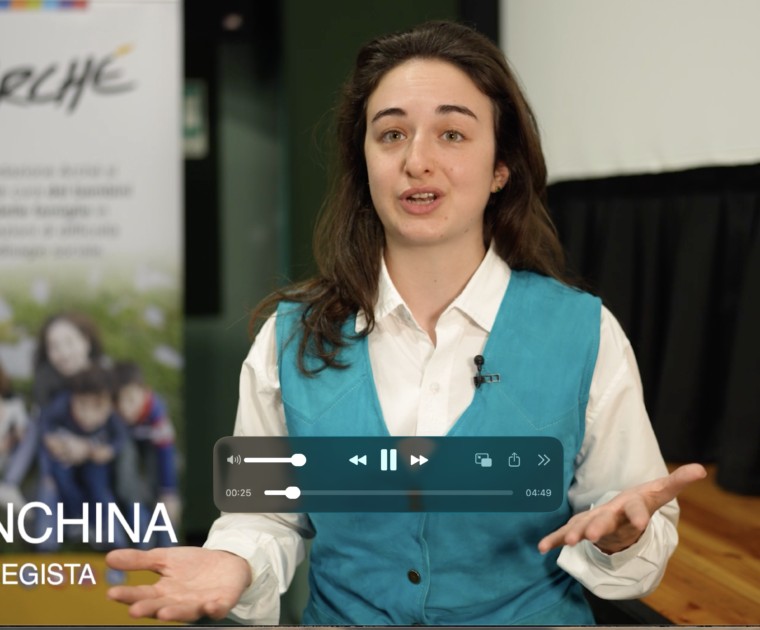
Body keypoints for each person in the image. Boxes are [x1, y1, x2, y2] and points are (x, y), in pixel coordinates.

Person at [105, 21, 706, 625]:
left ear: (501, 166)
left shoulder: (585, 333)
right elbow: (263, 516)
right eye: (391, 134)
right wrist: (234, 559)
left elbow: (633, 527)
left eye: (452, 134)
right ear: (364, 162)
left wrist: (622, 537)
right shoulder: (288, 339)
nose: (418, 161)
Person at [0, 313, 105, 495]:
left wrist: (88, 446)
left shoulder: (103, 377)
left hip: (94, 454)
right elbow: (45, 424)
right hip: (56, 452)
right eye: (54, 347)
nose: (64, 353)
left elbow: (113, 423)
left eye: (69, 342)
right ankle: (11, 483)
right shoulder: (46, 380)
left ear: (86, 341)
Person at [40, 365, 130, 550]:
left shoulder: (113, 417)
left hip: (94, 458)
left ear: (110, 406)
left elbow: (121, 436)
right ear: (73, 398)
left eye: (97, 408)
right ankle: (76, 519)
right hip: (66, 453)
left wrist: (109, 450)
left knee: (98, 488)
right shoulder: (62, 404)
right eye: (82, 406)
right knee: (62, 480)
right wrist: (50, 439)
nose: (88, 416)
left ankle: (97, 524)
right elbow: (45, 421)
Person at [112, 361, 181, 546]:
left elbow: (166, 451)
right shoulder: (114, 415)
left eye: (131, 400)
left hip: (152, 449)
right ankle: (138, 513)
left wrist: (168, 493)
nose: (125, 408)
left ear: (144, 392)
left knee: (164, 480)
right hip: (129, 454)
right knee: (126, 462)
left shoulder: (156, 412)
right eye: (118, 401)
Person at [0, 362, 29, 511]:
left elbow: (23, 433)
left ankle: (9, 485)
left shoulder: (14, 404)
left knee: (32, 427)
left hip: (8, 458)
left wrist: (17, 434)